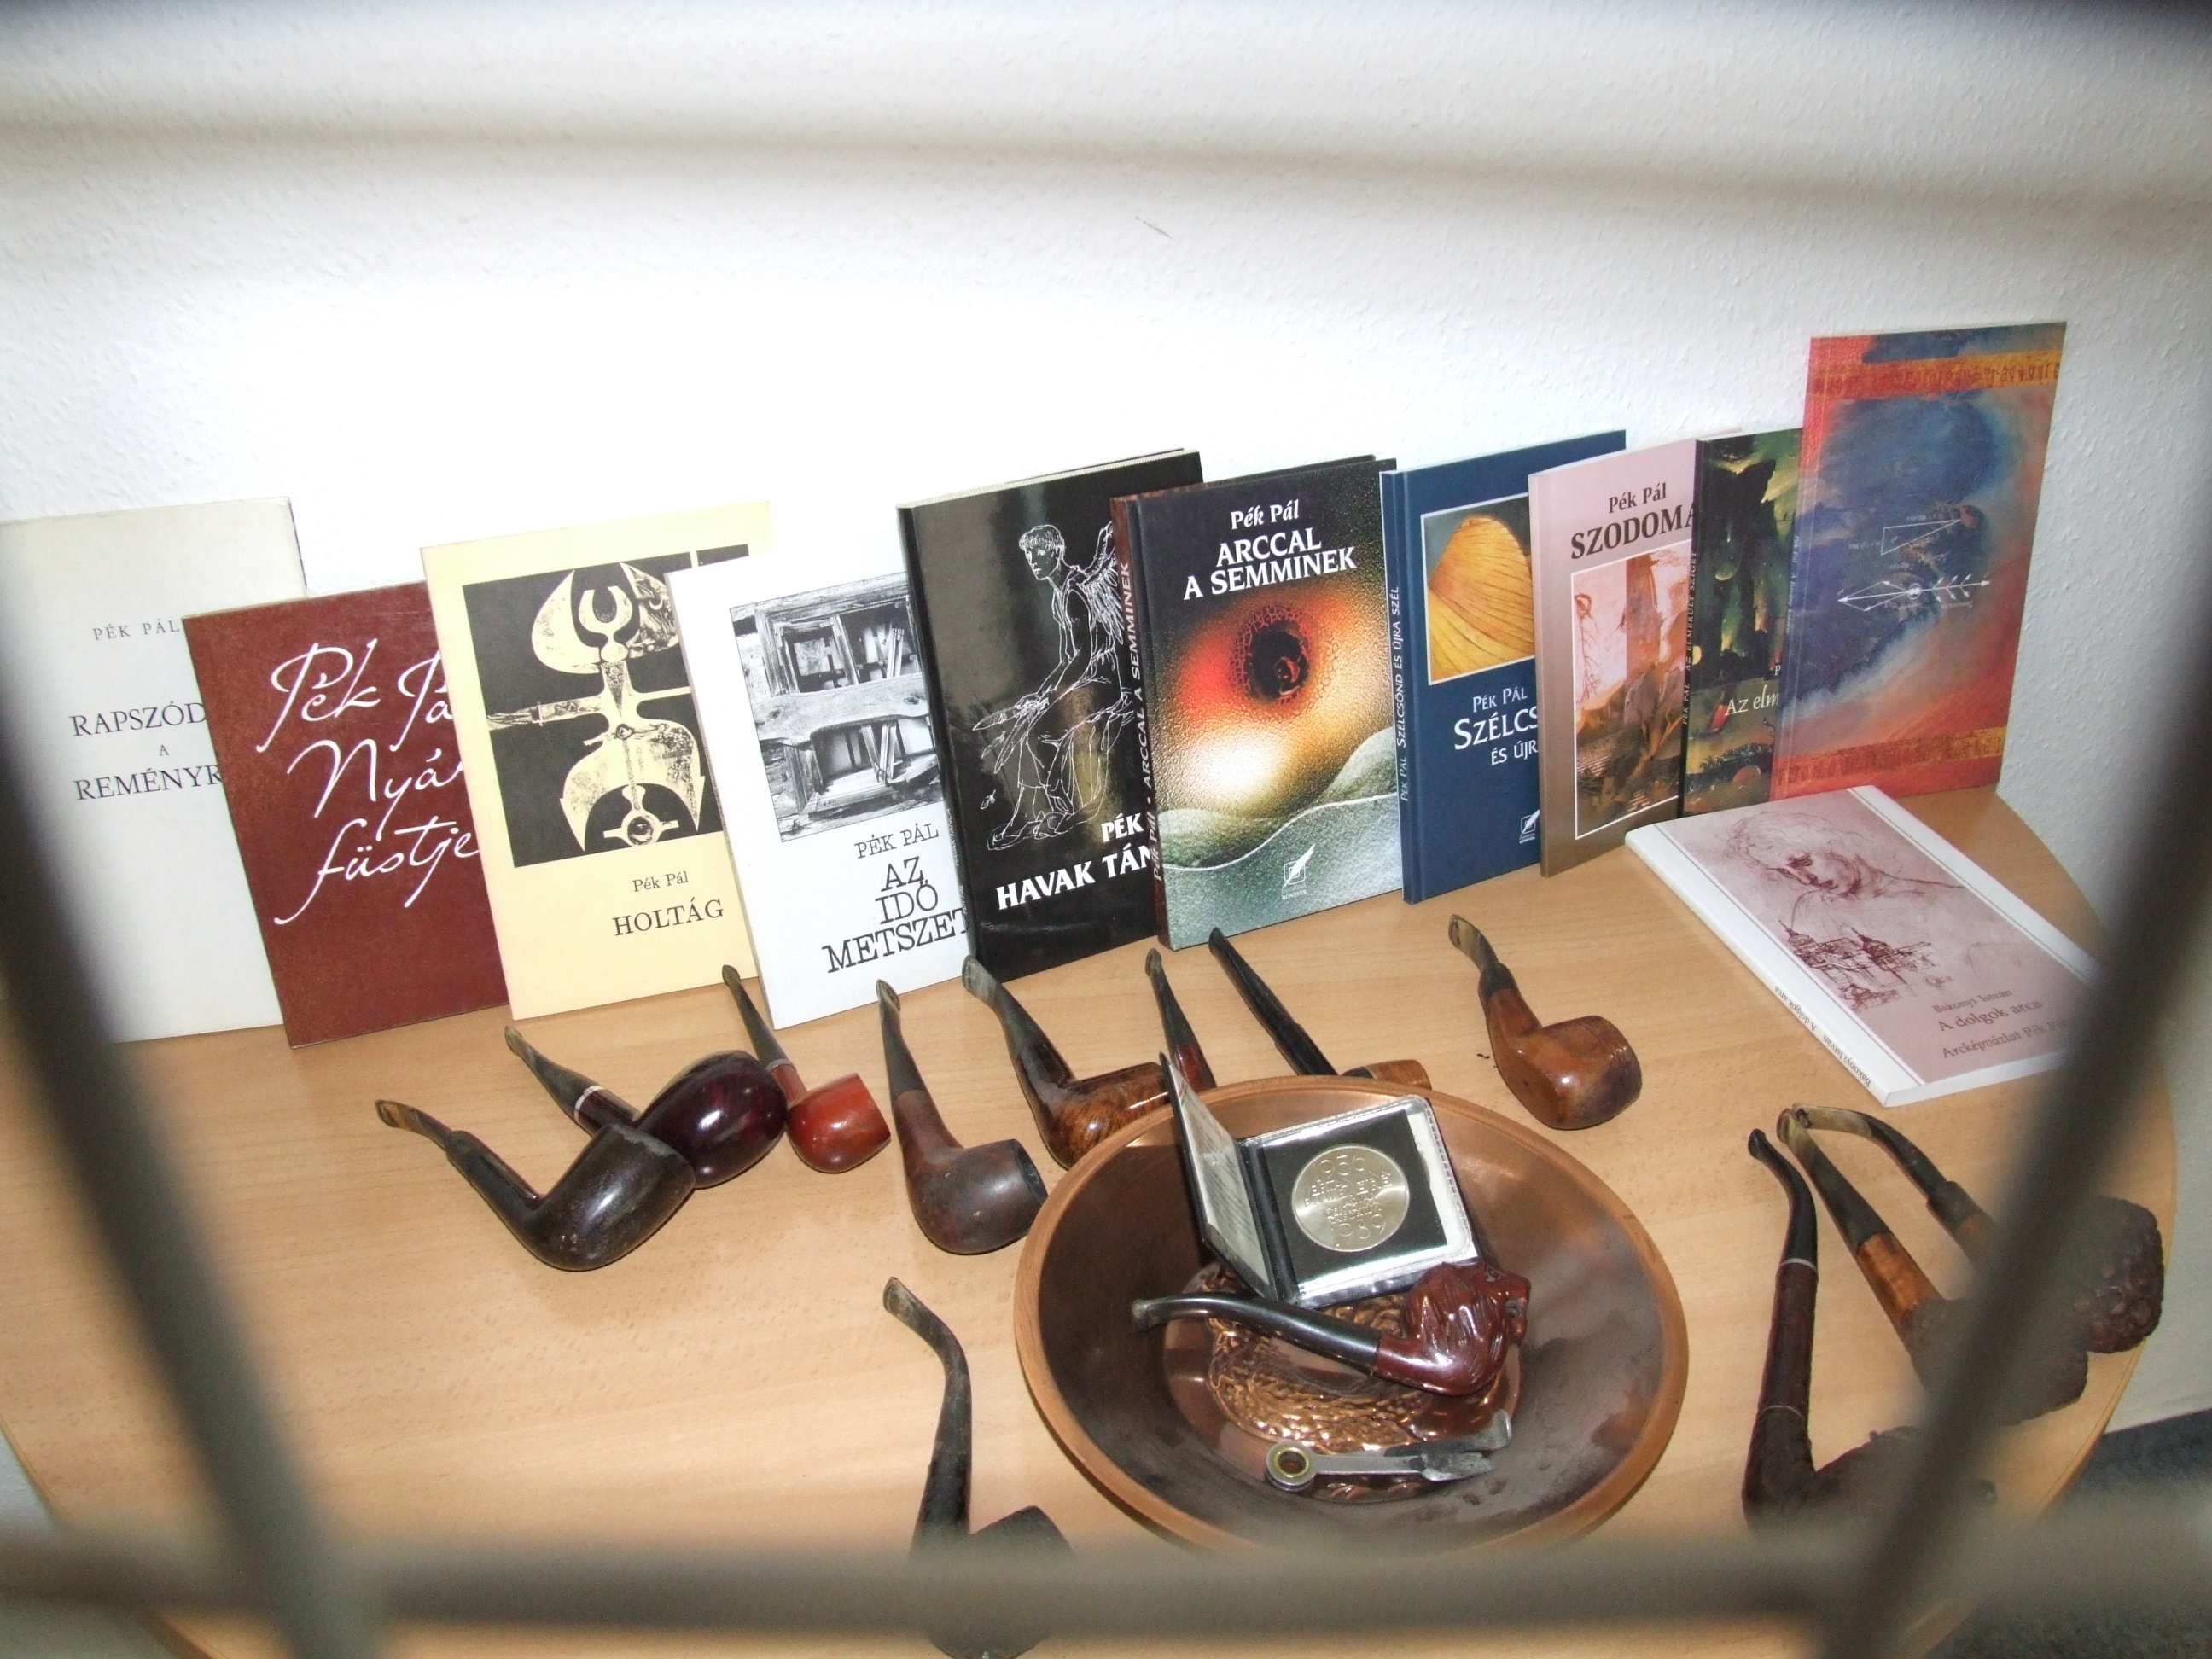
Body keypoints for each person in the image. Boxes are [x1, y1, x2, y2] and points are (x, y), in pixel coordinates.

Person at [975, 523, 1137, 848]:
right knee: (1030, 721)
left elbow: (1084, 657)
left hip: (1103, 681)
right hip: (1086, 678)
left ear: (1057, 550)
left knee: (1040, 731)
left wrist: (1048, 697)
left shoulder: (1075, 591)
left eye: (1040, 552)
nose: (1034, 560)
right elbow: (1067, 658)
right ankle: (1032, 812)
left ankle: (1062, 809)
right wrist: (1039, 695)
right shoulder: (1059, 595)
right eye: (1029, 555)